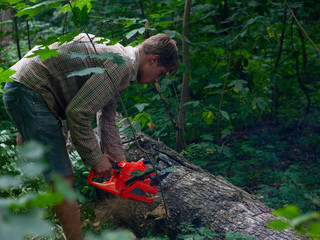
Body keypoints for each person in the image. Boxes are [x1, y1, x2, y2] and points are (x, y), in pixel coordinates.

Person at [3, 33, 179, 239]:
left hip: (32, 89)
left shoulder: (121, 58)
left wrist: (121, 168)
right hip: (30, 89)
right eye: (160, 73)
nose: (156, 80)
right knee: (62, 178)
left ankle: (30, 145)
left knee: (54, 163)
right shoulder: (122, 64)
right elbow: (78, 113)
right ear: (154, 59)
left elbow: (107, 118)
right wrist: (95, 158)